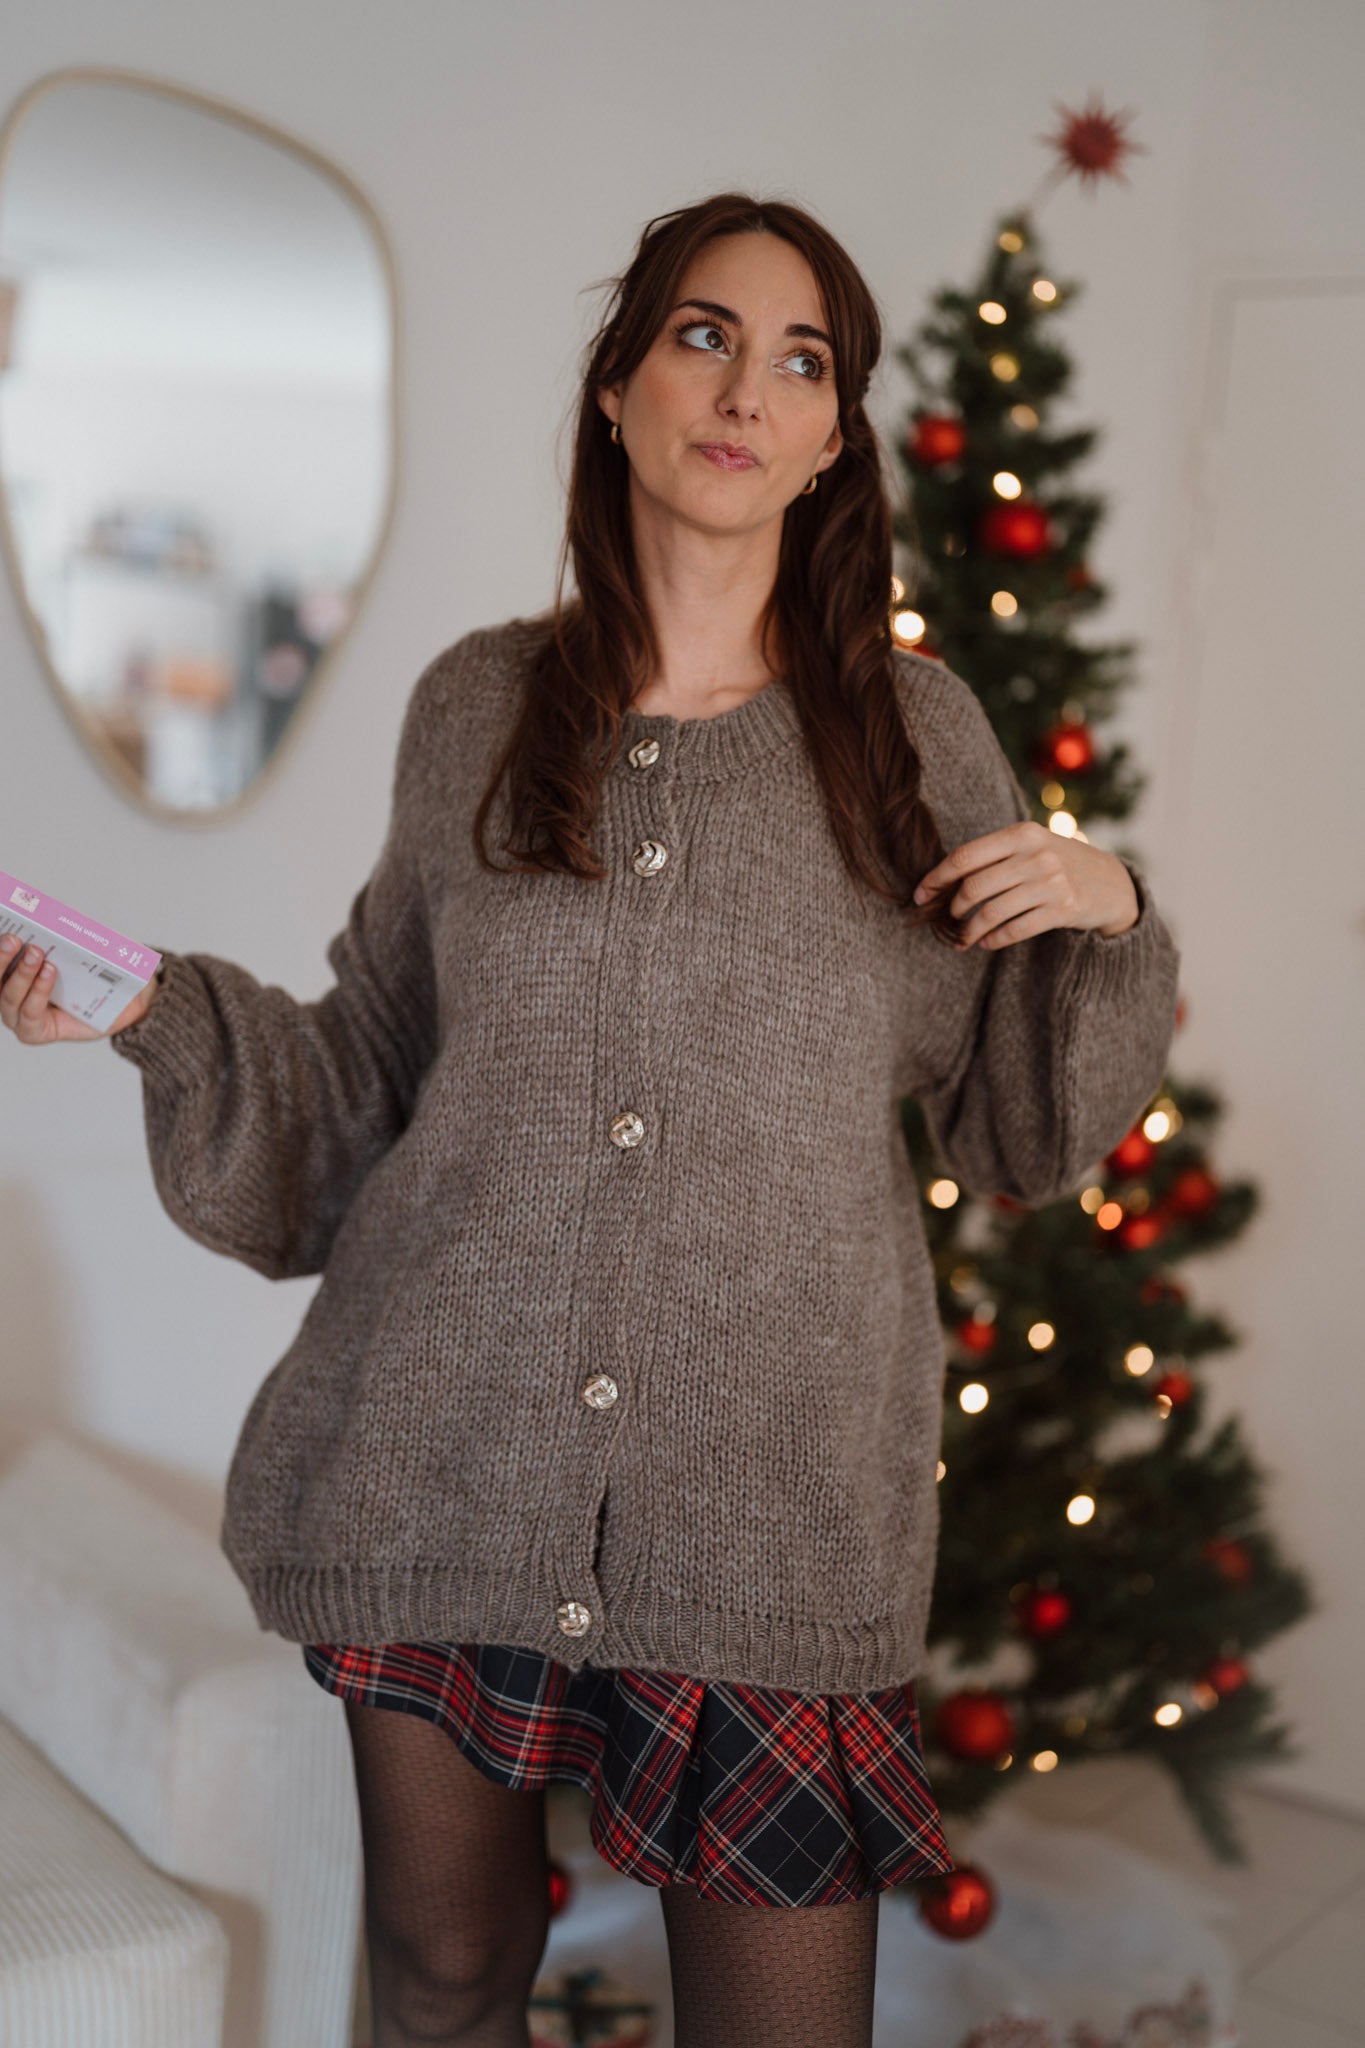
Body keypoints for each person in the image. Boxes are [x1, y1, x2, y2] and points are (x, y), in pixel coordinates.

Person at [3, 192, 1180, 2048]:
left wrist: (1109, 918)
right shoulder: (474, 706)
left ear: (827, 445)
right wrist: (158, 1015)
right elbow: (371, 1076)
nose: (747, 388)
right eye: (705, 335)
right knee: (443, 1979)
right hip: (441, 1449)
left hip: (772, 1502)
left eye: (804, 362)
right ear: (620, 386)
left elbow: (1018, 1128)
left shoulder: (911, 731)